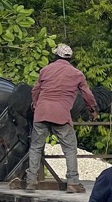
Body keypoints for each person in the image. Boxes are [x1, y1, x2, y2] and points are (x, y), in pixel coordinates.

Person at [26, 43, 98, 193]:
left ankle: (31, 181)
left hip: (42, 112)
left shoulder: (45, 70)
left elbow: (35, 90)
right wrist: (93, 110)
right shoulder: (77, 74)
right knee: (70, 148)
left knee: (36, 147)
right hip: (61, 115)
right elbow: (87, 95)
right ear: (70, 58)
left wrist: (35, 104)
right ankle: (72, 182)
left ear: (55, 56)